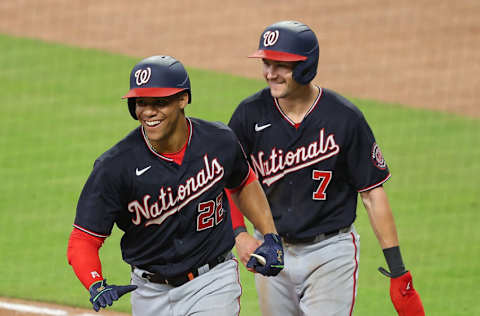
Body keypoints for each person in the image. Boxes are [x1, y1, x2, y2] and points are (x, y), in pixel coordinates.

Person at [227, 21, 425, 316]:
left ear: (306, 66)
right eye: (266, 63)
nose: (270, 73)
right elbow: (230, 182)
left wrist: (397, 270)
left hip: (330, 254)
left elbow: (373, 194)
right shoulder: (249, 114)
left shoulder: (344, 118)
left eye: (281, 65)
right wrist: (240, 234)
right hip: (273, 249)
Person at [67, 55, 284, 315]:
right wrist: (95, 283)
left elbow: (243, 182)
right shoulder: (114, 167)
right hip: (148, 292)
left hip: (212, 281)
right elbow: (83, 239)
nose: (148, 111)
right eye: (141, 103)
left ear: (183, 99)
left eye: (159, 102)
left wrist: (269, 235)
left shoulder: (219, 141)